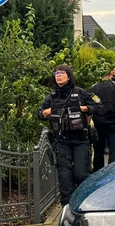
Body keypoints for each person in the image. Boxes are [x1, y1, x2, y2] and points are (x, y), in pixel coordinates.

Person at [38, 65, 103, 206]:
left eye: (62, 73)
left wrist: (84, 109)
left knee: (81, 175)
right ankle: (67, 212)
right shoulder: (51, 97)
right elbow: (40, 113)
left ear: (69, 76)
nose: (58, 75)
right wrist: (46, 112)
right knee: (65, 179)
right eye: (56, 73)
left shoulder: (80, 93)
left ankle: (83, 205)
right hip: (61, 142)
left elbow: (99, 106)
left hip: (81, 140)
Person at [89, 67, 115, 171]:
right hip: (114, 123)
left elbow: (89, 105)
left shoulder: (94, 88)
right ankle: (112, 172)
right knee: (114, 150)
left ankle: (98, 171)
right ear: (110, 73)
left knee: (98, 150)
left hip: (98, 123)